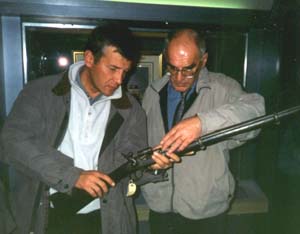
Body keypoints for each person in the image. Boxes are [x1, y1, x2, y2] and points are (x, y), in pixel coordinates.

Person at [0, 22, 179, 234]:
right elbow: (11, 143)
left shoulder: (131, 109)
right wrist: (73, 175)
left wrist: (152, 166)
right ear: (89, 58)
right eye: (112, 68)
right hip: (47, 216)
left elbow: (131, 167)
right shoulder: (41, 92)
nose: (119, 80)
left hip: (106, 219)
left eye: (125, 71)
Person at [141, 29, 265, 234]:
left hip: (206, 213)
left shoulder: (223, 87)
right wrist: (151, 163)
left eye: (188, 69)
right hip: (160, 207)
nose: (178, 77)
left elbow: (256, 112)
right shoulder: (153, 91)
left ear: (203, 60)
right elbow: (143, 141)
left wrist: (201, 123)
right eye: (172, 67)